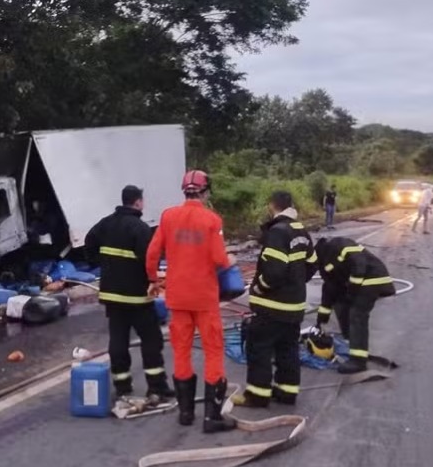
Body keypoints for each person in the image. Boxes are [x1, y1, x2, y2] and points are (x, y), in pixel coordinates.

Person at [146, 170, 236, 432]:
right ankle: (212, 418)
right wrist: (230, 261)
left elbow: (153, 253)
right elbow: (219, 259)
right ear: (205, 192)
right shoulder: (212, 219)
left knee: (182, 351)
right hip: (204, 298)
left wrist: (154, 279)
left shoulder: (168, 216)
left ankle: (186, 413)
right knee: (213, 352)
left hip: (177, 296)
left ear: (184, 191)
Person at [85, 185, 173, 401]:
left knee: (118, 341)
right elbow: (149, 260)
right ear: (138, 202)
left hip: (112, 296)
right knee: (151, 340)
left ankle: (122, 386)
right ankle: (157, 387)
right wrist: (154, 281)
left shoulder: (105, 224)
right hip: (137, 297)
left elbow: (89, 244)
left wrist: (103, 265)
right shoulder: (140, 228)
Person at [231, 191, 312, 407]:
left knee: (259, 349)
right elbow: (312, 264)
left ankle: (258, 396)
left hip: (272, 307)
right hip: (294, 307)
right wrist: (296, 283)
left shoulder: (277, 232)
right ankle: (287, 393)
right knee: (288, 349)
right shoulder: (300, 230)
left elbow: (274, 272)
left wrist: (258, 287)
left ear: (271, 206)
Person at [308, 236, 395, 373]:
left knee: (357, 315)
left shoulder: (338, 244)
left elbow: (358, 262)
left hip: (372, 279)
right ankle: (351, 342)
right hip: (356, 285)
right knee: (340, 305)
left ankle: (358, 361)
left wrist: (352, 291)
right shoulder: (324, 264)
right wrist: (321, 319)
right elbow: (330, 289)